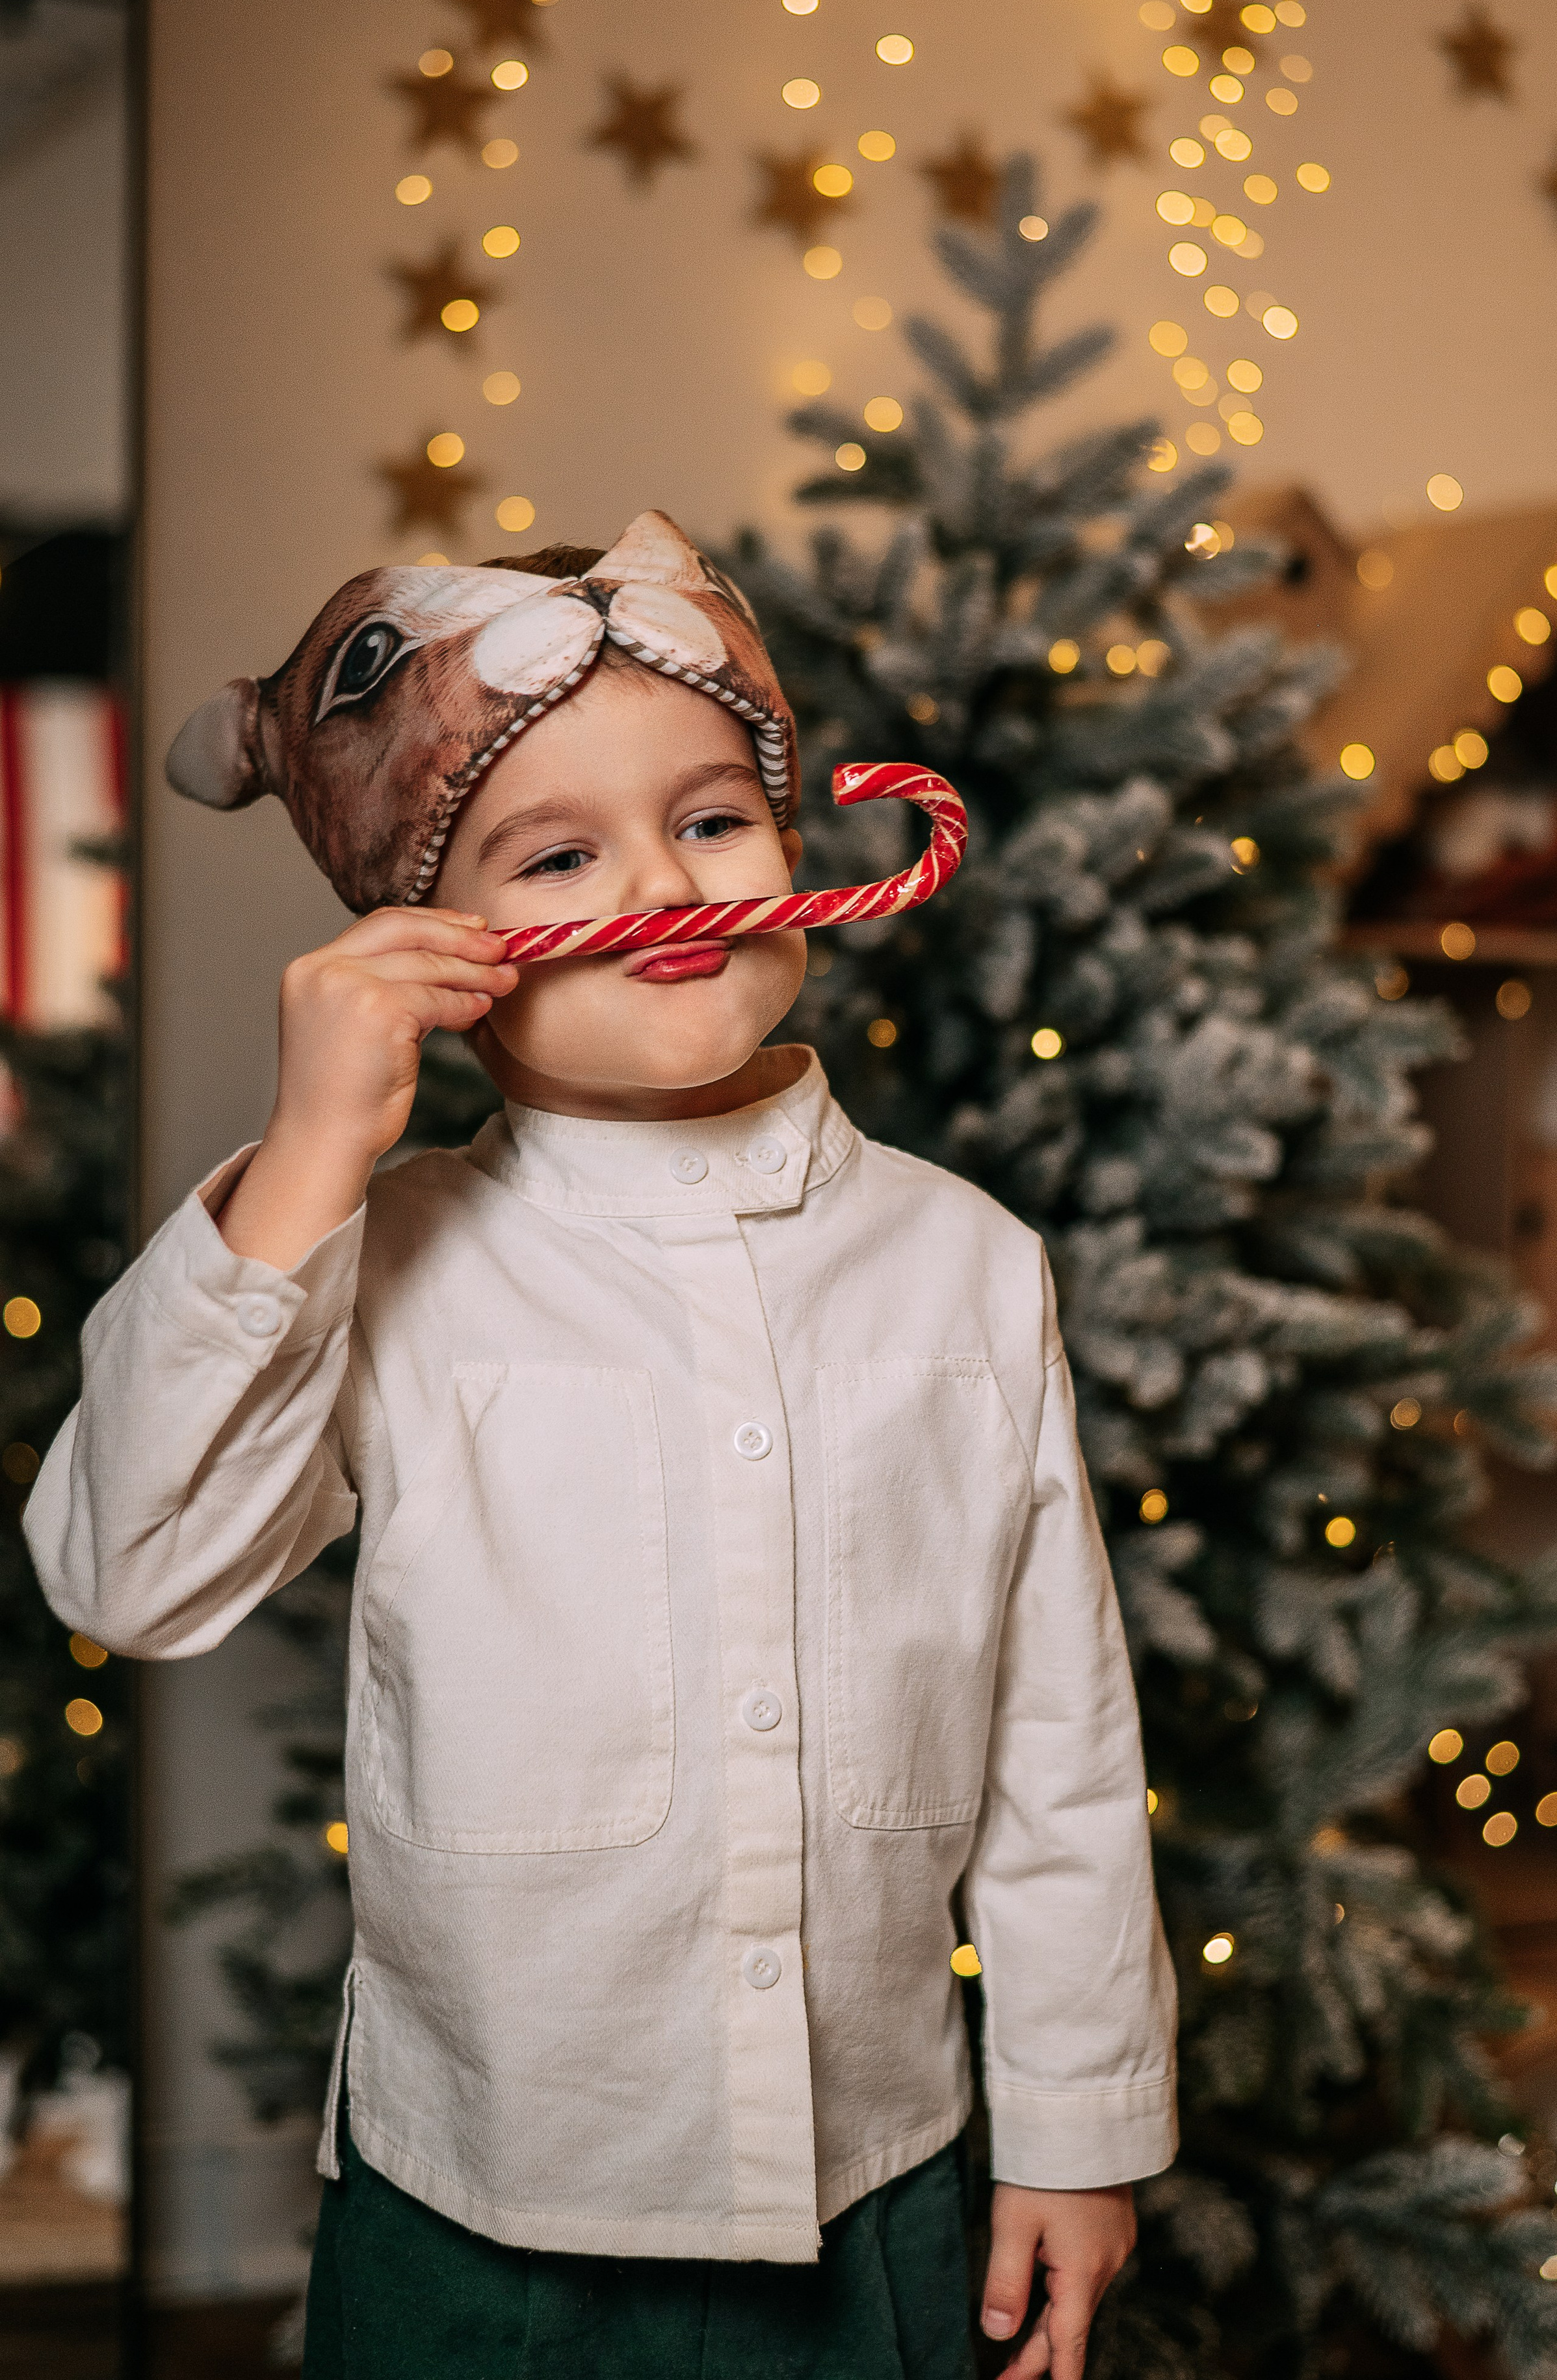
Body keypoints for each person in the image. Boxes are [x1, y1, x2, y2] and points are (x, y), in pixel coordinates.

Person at [27, 513, 1177, 2380]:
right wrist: (308, 1159)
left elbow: (1057, 1727)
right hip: (481, 2208)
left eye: (712, 818)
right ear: (430, 938)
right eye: (558, 852)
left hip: (877, 2186)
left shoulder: (968, 1263)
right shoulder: (381, 1255)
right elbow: (126, 1570)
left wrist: (1080, 2117)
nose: (664, 879)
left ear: (796, 849)